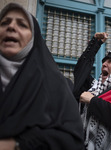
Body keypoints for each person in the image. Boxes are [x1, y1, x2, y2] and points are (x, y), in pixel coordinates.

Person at [0, 3, 84, 150]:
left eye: (22, 25)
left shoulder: (54, 85)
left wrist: (17, 145)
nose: (11, 27)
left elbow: (71, 141)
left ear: (34, 38)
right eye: (4, 23)